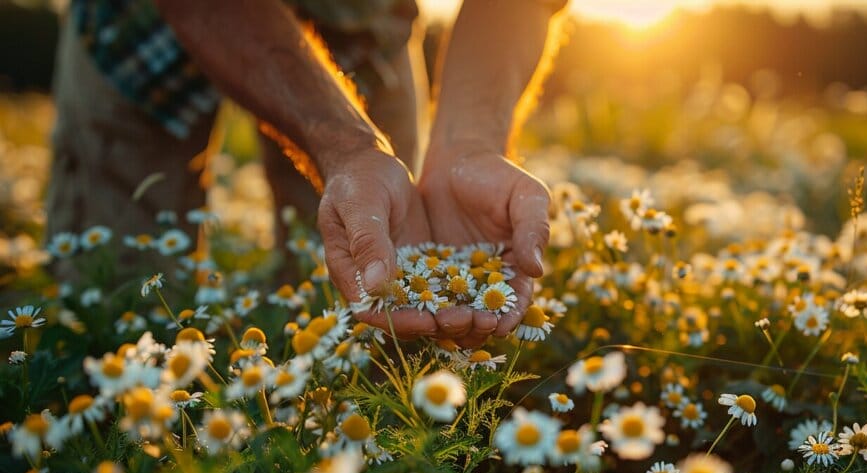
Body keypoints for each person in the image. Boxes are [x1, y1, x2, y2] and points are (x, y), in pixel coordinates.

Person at [47, 0, 565, 348]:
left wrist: (468, 143)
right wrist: (345, 145)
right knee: (118, 301)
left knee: (362, 297)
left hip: (360, 19)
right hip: (147, 29)